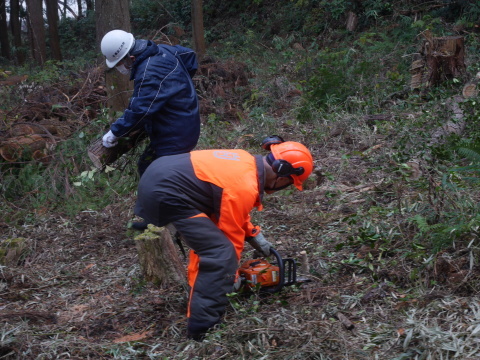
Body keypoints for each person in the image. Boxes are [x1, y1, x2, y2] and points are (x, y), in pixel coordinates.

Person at [134, 135, 314, 340]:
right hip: (166, 191)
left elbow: (229, 204)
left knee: (209, 242)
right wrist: (230, 277)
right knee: (221, 253)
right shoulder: (244, 186)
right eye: (290, 184)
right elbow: (230, 236)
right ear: (282, 177)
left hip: (162, 175)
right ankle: (203, 327)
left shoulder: (244, 161)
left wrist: (253, 234)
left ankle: (198, 291)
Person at [99, 29, 201, 177]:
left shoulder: (149, 72)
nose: (119, 68)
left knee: (152, 172)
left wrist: (115, 132)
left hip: (176, 134)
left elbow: (140, 111)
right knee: (148, 165)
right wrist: (176, 87)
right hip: (184, 121)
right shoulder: (162, 50)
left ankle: (171, 197)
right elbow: (189, 56)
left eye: (119, 63)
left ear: (130, 57)